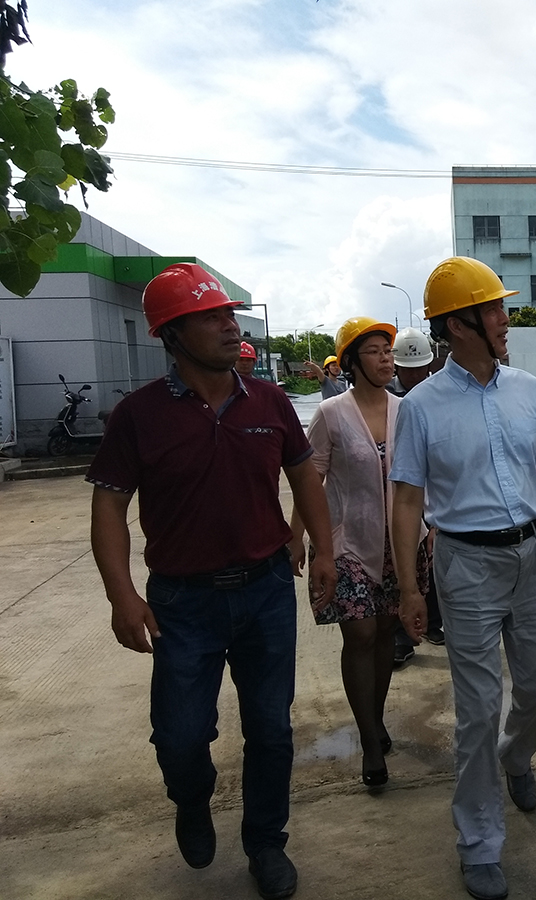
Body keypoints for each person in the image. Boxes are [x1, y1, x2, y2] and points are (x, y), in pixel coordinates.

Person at [87, 263, 336, 899]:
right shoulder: (139, 415)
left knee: (271, 729)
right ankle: (191, 799)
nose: (231, 327)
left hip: (265, 590)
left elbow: (305, 477)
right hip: (181, 602)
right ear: (171, 335)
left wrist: (324, 552)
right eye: (211, 317)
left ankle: (266, 842)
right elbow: (109, 505)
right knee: (180, 735)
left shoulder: (269, 401)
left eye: (230, 314)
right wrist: (122, 596)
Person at [389, 257, 536, 900]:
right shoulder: (420, 406)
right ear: (458, 325)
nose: (505, 320)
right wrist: (410, 589)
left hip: (532, 556)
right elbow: (407, 501)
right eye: (494, 309)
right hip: (466, 565)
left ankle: (517, 756)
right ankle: (478, 842)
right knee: (477, 710)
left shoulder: (526, 390)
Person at [288, 316, 404, 790]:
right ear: (352, 362)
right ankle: (370, 743)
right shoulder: (331, 413)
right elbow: (310, 477)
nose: (385, 359)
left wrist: (432, 527)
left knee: (387, 633)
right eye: (374, 351)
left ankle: (374, 717)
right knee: (361, 634)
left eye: (387, 351)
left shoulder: (405, 410)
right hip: (346, 541)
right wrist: (297, 536)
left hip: (399, 542)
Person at [386, 326, 446, 659]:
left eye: (420, 369)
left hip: (432, 494)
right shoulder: (387, 398)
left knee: (432, 561)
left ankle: (434, 622)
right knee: (403, 561)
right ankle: (401, 636)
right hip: (401, 492)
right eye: (408, 370)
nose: (414, 376)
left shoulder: (439, 396)